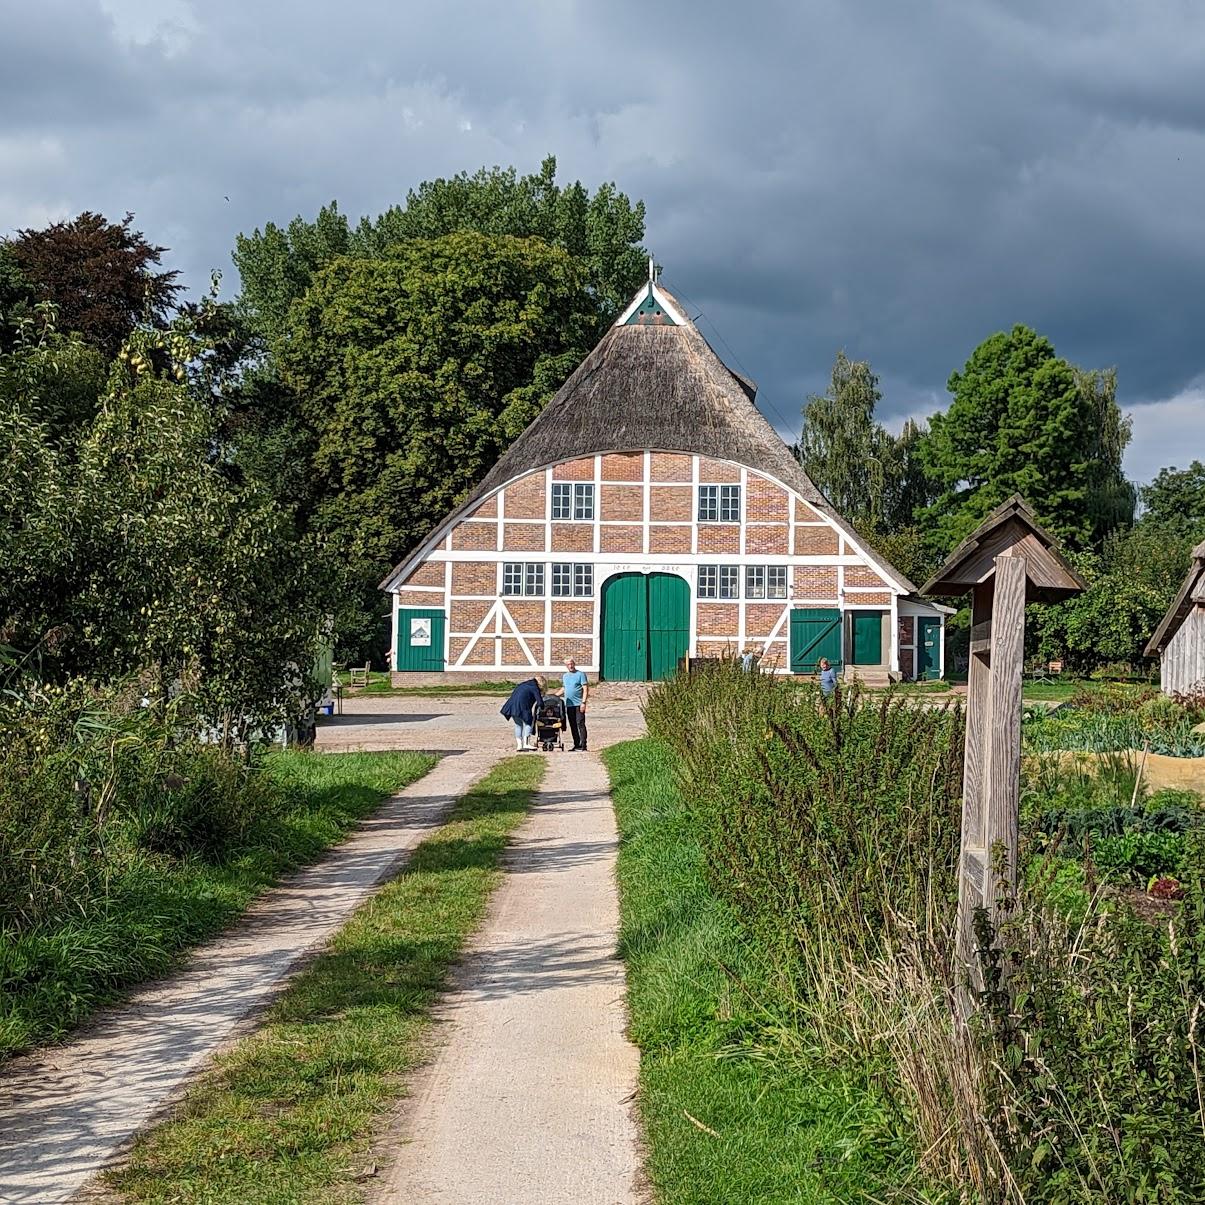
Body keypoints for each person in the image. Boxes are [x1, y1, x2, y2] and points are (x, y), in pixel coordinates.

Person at [500, 675, 545, 750]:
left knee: (518, 725)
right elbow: (540, 702)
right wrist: (543, 708)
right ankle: (526, 744)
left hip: (512, 706)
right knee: (528, 723)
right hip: (522, 707)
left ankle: (519, 745)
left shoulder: (523, 684)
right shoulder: (534, 687)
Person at [561, 657, 589, 752]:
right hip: (569, 704)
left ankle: (583, 745)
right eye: (568, 664)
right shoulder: (565, 676)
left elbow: (585, 689)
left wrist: (583, 702)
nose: (570, 666)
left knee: (580, 723)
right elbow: (564, 689)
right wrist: (553, 695)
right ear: (566, 666)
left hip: (578, 704)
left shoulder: (580, 674)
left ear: (574, 664)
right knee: (572, 725)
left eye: (571, 663)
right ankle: (576, 744)